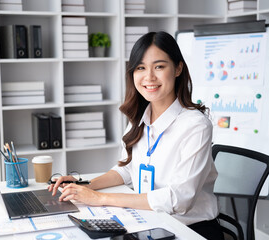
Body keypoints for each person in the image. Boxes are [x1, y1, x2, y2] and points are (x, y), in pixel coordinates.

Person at [49, 31, 224, 240]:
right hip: (151, 221)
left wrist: (100, 198)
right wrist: (84, 186)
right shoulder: (139, 117)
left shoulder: (196, 125)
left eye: (159, 66)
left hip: (190, 230)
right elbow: (126, 170)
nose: (149, 77)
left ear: (178, 68)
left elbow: (179, 199)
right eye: (141, 68)